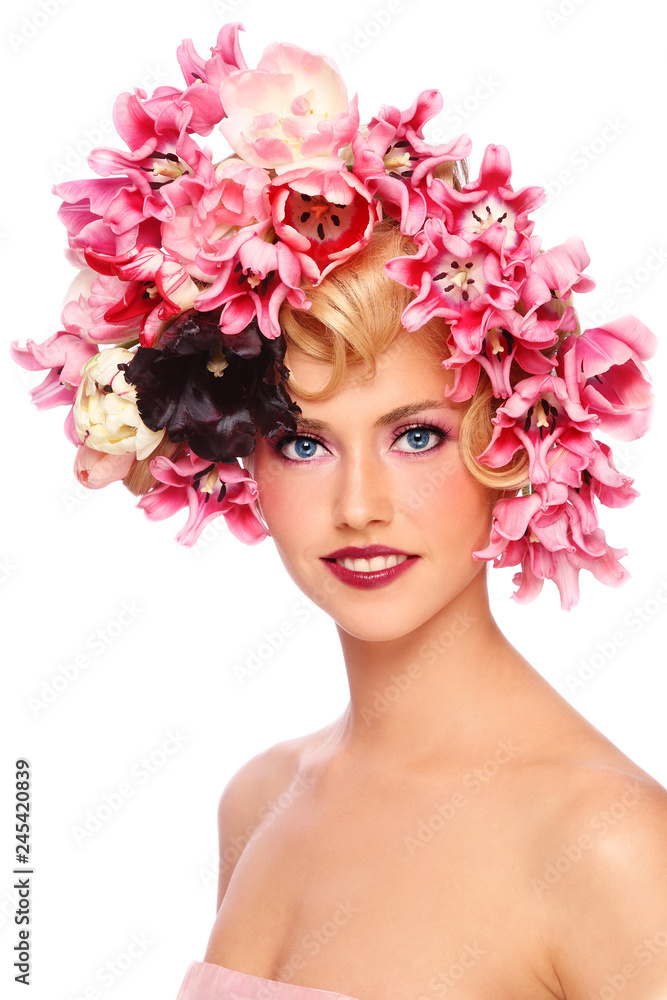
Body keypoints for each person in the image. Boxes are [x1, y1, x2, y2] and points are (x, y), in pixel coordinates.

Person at [11, 22, 666, 1000]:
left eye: (416, 436)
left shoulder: (605, 846)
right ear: (243, 461)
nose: (360, 506)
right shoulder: (261, 798)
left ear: (514, 436)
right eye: (304, 442)